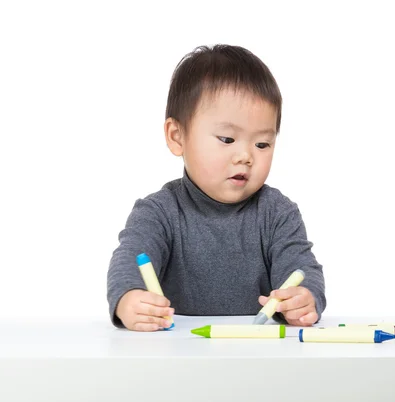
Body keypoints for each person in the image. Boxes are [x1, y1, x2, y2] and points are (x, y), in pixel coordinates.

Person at [106, 44, 326, 331]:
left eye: (262, 144)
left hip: (258, 352)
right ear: (177, 137)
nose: (245, 156)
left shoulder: (278, 213)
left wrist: (304, 298)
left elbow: (302, 268)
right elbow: (128, 260)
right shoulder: (158, 212)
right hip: (177, 352)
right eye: (226, 139)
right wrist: (129, 299)